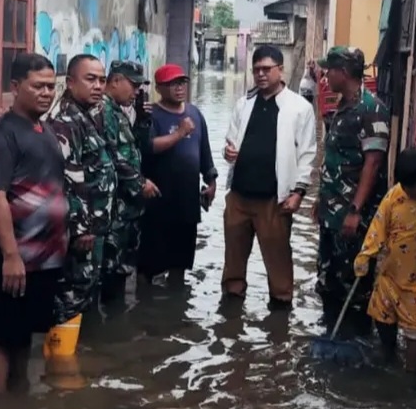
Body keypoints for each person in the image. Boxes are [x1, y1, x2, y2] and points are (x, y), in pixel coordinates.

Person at [0, 52, 68, 394]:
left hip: (44, 256)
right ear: (15, 87)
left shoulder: (44, 130)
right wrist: (11, 256)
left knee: (24, 332)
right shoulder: (0, 136)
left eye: (51, 86)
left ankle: (20, 397)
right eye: (38, 86)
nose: (46, 93)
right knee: (2, 336)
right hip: (14, 257)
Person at [222, 44, 316, 309]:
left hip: (275, 200)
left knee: (278, 263)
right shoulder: (244, 104)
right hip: (239, 197)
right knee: (233, 261)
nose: (261, 74)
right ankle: (231, 311)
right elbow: (231, 141)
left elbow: (308, 153)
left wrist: (299, 192)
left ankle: (281, 313)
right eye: (256, 70)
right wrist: (228, 152)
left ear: (280, 70)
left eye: (266, 69)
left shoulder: (299, 108)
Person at [315, 46, 389, 334]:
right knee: (328, 278)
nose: (325, 76)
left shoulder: (371, 110)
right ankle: (330, 335)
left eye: (329, 71)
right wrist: (321, 200)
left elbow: (373, 163)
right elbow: (335, 160)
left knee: (354, 284)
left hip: (352, 216)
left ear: (343, 72)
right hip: (331, 213)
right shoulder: (342, 107)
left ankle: (355, 340)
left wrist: (355, 211)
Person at [47, 54, 116, 324]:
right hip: (79, 232)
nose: (98, 86)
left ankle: (83, 347)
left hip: (93, 228)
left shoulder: (86, 115)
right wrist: (80, 228)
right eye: (90, 79)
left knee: (86, 292)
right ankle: (61, 349)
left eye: (102, 80)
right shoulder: (65, 121)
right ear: (70, 82)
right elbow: (65, 178)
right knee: (70, 298)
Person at [138, 63, 218, 283]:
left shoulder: (195, 113)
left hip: (187, 202)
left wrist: (211, 181)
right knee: (149, 265)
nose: (179, 87)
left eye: (182, 83)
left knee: (180, 263)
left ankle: (176, 299)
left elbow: (204, 151)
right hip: (158, 201)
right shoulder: (150, 115)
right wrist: (180, 133)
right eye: (172, 84)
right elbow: (148, 147)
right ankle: (147, 300)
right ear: (159, 88)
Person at [353, 147, 416, 374]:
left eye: (414, 187)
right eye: (405, 187)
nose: (409, 192)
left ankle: (412, 373)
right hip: (390, 275)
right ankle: (388, 354)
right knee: (381, 314)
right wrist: (365, 254)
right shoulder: (395, 196)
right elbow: (378, 225)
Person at [101, 59, 158, 301]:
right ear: (116, 81)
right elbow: (112, 155)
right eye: (133, 86)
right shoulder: (104, 112)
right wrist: (140, 182)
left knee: (122, 269)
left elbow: (131, 148)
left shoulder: (118, 112)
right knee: (110, 271)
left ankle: (117, 317)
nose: (136, 92)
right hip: (114, 209)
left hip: (126, 208)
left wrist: (142, 121)